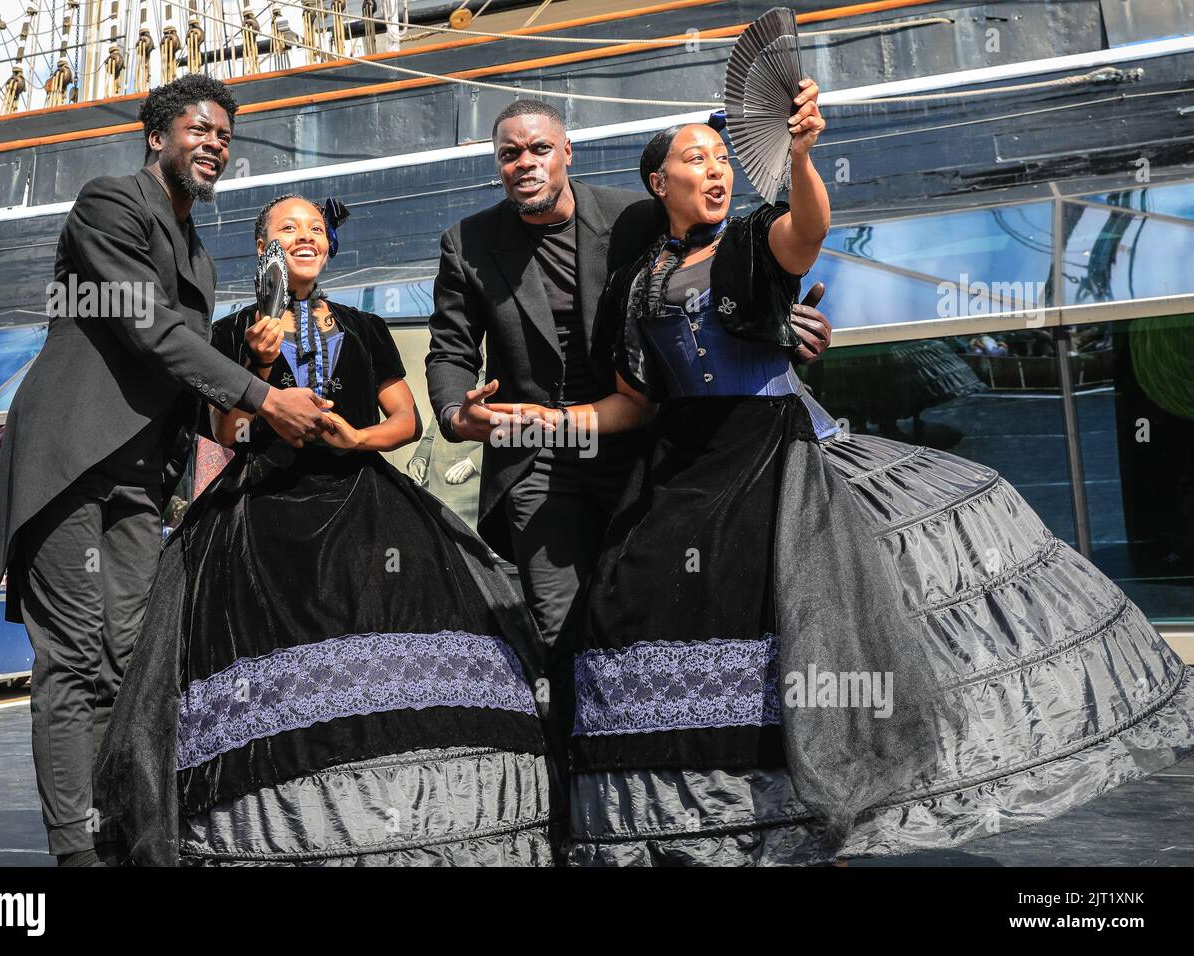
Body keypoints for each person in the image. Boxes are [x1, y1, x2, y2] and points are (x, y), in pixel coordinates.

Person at [508, 82, 1194, 865]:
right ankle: (716, 820)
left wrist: (800, 154)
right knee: (640, 609)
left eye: (724, 158)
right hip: (681, 469)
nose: (717, 170)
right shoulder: (636, 283)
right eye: (696, 159)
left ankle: (822, 803)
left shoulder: (752, 243)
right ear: (659, 183)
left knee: (810, 611)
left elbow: (810, 229)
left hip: (773, 449)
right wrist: (529, 423)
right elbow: (631, 401)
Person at [93, 194, 554, 866]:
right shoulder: (228, 334)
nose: (305, 236)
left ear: (329, 248)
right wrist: (254, 368)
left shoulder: (366, 328)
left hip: (364, 499)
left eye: (315, 229)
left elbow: (407, 421)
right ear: (263, 251)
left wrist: (355, 434)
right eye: (288, 228)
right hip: (259, 512)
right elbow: (229, 433)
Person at [426, 99, 832, 783]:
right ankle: (580, 801)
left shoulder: (635, 212)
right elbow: (449, 351)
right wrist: (454, 411)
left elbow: (727, 263)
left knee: (655, 619)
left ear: (567, 153)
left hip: (645, 450)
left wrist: (776, 320)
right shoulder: (465, 242)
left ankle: (675, 778)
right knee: (562, 632)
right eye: (509, 154)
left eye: (539, 149)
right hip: (537, 457)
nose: (525, 163)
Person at [0, 74, 334, 867]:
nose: (214, 143)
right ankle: (74, 851)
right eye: (199, 129)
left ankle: (119, 830)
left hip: (143, 477)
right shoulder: (108, 204)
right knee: (74, 659)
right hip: (71, 458)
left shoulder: (201, 255)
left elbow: (189, 371)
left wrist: (248, 373)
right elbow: (145, 326)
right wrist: (256, 393)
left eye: (224, 135)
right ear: (158, 136)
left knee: (128, 659)